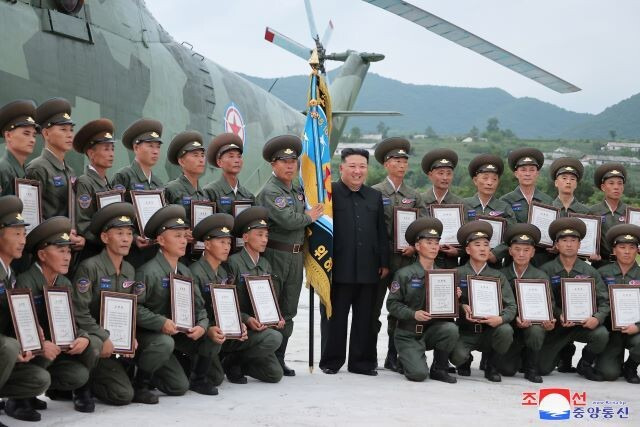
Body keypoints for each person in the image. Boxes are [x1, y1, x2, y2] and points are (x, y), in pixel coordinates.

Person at [135, 205, 221, 397]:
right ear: (161, 240)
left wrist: (202, 325)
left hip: (180, 335)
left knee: (214, 333)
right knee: (178, 387)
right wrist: (161, 322)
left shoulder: (185, 271)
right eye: (177, 236)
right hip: (153, 337)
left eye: (184, 236)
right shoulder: (148, 271)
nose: (183, 241)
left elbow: (199, 308)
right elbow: (135, 309)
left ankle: (198, 379)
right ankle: (141, 383)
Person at [256, 135, 323, 376]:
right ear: (273, 164)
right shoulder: (271, 191)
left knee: (289, 310)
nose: (289, 165)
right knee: (269, 309)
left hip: (295, 258)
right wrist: (310, 217)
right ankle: (265, 358)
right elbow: (287, 220)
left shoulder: (296, 188)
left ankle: (279, 357)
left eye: (293, 161)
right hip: (275, 255)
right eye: (283, 161)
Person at [18, 217, 100, 412]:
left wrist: (83, 338)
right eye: (60, 251)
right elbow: (18, 329)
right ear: (42, 255)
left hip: (56, 352)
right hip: (32, 353)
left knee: (91, 348)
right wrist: (39, 345)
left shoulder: (64, 283)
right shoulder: (26, 282)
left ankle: (78, 391)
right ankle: (20, 398)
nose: (67, 257)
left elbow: (73, 321)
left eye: (69, 251)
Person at [320, 148, 389, 376]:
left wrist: (384, 262)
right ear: (341, 168)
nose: (358, 171)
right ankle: (331, 361)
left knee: (365, 319)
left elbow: (381, 232)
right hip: (338, 267)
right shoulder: (329, 195)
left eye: (362, 167)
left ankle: (361, 362)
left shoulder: (373, 196)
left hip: (368, 268)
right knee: (335, 318)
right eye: (352, 166)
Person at [71, 203, 148, 405]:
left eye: (129, 233)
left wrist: (130, 335)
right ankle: (81, 388)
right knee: (122, 396)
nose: (125, 239)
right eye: (119, 233)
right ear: (105, 238)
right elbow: (79, 312)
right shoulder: (90, 268)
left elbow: (130, 310)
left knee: (124, 394)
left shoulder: (130, 270)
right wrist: (103, 336)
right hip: (92, 341)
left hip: (116, 343)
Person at [371, 137, 425, 372]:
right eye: (396, 160)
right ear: (386, 164)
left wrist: (414, 245)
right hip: (381, 261)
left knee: (400, 309)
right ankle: (367, 355)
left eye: (404, 160)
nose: (401, 164)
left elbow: (423, 227)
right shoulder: (374, 192)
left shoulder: (414, 195)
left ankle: (394, 356)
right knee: (372, 310)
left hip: (405, 260)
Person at [386, 217, 459, 383]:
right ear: (418, 247)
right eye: (429, 242)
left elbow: (447, 308)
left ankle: (439, 368)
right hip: (408, 333)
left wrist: (455, 297)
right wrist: (413, 314)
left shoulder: (444, 275)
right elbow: (391, 304)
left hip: (431, 331)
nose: (434, 247)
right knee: (418, 375)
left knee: (451, 329)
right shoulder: (404, 274)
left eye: (436, 243)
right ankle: (405, 358)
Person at [538, 218, 610, 381]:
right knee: (542, 369)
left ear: (579, 245)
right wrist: (558, 314)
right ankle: (563, 354)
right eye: (564, 240)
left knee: (601, 334)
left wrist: (596, 318)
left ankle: (585, 364)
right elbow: (544, 300)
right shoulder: (546, 270)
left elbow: (605, 301)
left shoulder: (589, 271)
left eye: (573, 240)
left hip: (582, 326)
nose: (569, 244)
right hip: (556, 327)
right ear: (557, 245)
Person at [0, 196, 51, 423]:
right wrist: (13, 342)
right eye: (16, 234)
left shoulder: (10, 275)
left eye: (24, 234)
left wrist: (29, 335)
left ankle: (15, 399)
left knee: (39, 378)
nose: (23, 240)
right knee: (9, 346)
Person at [221, 207, 286, 383]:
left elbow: (269, 299)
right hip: (237, 329)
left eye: (266, 235)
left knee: (274, 375)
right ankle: (231, 360)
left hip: (258, 330)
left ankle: (238, 362)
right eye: (259, 235)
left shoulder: (265, 264)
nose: (265, 240)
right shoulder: (233, 263)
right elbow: (225, 304)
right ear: (246, 237)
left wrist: (275, 317)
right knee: (274, 338)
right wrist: (246, 319)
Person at [450, 221, 516, 382]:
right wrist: (460, 306)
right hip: (465, 330)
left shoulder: (498, 276)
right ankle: (465, 360)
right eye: (477, 244)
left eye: (486, 245)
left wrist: (500, 319)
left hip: (489, 331)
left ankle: (492, 365)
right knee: (456, 357)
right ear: (467, 250)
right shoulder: (456, 273)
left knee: (506, 330)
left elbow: (511, 307)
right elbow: (444, 305)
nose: (482, 249)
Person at [499, 224, 556, 383]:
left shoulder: (540, 276)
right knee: (507, 370)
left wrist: (549, 320)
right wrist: (514, 318)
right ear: (510, 251)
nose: (521, 254)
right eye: (517, 249)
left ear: (533, 253)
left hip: (531, 325)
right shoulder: (501, 275)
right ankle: (514, 355)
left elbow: (549, 304)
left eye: (526, 250)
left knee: (537, 330)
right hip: (511, 326)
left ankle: (531, 367)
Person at [26, 98, 84, 252]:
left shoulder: (70, 171)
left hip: (66, 249)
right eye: (63, 130)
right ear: (46, 133)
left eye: (71, 130)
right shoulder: (37, 168)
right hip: (46, 249)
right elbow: (32, 216)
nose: (69, 134)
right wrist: (61, 234)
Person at [111, 118, 164, 267]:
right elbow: (114, 215)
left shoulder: (158, 183)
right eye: (150, 145)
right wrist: (133, 237)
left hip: (154, 253)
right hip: (130, 253)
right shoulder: (123, 177)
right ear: (136, 148)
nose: (155, 151)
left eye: (158, 147)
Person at [595, 224, 640, 383]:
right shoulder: (602, 273)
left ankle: (631, 365)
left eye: (632, 247)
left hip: (635, 330)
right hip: (610, 330)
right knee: (609, 374)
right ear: (614, 251)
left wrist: (638, 326)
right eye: (622, 247)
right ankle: (602, 359)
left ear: (637, 250)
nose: (627, 251)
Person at [73, 118, 117, 262]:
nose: (111, 154)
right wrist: (108, 240)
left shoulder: (107, 183)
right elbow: (83, 224)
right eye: (106, 149)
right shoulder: (85, 182)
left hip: (107, 251)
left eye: (112, 149)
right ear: (91, 154)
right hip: (92, 254)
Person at [500, 147, 553, 267]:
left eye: (532, 170)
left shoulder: (547, 201)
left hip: (542, 258)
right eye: (523, 170)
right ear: (516, 173)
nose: (528, 174)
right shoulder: (505, 200)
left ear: (537, 173)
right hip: (514, 258)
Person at [463, 154, 516, 268]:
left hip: (494, 265)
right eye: (485, 178)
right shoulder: (463, 205)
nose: (489, 182)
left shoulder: (505, 208)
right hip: (466, 263)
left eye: (494, 179)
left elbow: (512, 236)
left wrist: (495, 254)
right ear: (475, 180)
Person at [420, 148, 464, 269]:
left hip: (450, 264)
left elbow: (467, 237)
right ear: (430, 175)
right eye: (440, 173)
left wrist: (458, 252)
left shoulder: (460, 204)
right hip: (424, 263)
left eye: (449, 173)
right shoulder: (420, 201)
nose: (445, 177)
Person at [203, 133, 255, 215]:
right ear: (219, 162)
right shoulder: (210, 192)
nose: (237, 160)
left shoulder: (248, 195)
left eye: (239, 156)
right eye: (231, 156)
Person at [588, 163, 628, 268]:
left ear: (623, 187)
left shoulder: (630, 212)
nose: (616, 187)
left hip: (626, 266)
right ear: (603, 187)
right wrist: (588, 254)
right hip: (601, 265)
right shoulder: (593, 212)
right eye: (611, 183)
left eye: (620, 184)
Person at [0, 99, 39, 197]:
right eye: (26, 133)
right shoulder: (2, 169)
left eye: (34, 135)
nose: (32, 140)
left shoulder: (25, 172)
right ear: (8, 136)